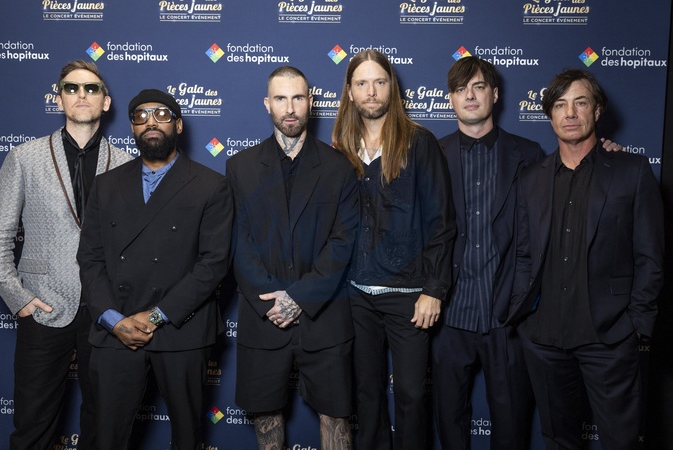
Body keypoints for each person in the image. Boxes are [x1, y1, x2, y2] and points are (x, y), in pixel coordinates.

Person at [507, 68, 664, 449]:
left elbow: (650, 256)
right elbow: (524, 253)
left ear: (597, 110)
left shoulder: (631, 171)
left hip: (609, 338)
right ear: (550, 115)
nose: (570, 113)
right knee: (559, 440)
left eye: (580, 103)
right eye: (560, 105)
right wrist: (524, 318)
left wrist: (636, 325)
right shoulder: (531, 178)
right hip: (543, 339)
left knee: (621, 441)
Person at [76, 88, 232, 450]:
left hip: (182, 329)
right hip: (117, 327)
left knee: (187, 437)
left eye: (161, 115)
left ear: (178, 125)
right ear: (132, 128)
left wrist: (157, 315)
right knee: (106, 436)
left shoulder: (211, 185)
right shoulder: (106, 184)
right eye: (141, 116)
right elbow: (90, 258)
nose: (151, 122)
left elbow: (213, 264)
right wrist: (113, 320)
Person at [0, 60, 133, 449]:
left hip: (105, 312)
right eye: (71, 88)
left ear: (106, 101)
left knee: (103, 425)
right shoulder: (24, 157)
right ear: (59, 99)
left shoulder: (126, 164)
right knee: (33, 425)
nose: (81, 95)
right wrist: (19, 298)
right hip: (43, 306)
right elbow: (0, 234)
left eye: (91, 88)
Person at [226, 66, 359, 449]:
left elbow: (343, 242)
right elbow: (237, 242)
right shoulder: (240, 167)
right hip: (263, 314)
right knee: (266, 416)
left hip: (325, 316)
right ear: (267, 104)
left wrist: (299, 297)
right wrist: (273, 301)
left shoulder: (339, 167)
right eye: (281, 98)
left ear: (310, 102)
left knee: (336, 416)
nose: (289, 108)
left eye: (298, 98)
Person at [332, 49, 456, 450]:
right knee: (366, 395)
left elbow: (442, 222)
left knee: (411, 395)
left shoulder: (419, 142)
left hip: (409, 295)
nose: (371, 91)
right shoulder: (340, 147)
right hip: (355, 294)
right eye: (362, 83)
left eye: (379, 82)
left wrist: (434, 289)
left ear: (392, 87)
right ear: (350, 91)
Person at [432, 56, 542, 449]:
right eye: (461, 89)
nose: (470, 96)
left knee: (512, 426)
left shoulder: (529, 154)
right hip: (449, 315)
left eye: (478, 87)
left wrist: (607, 153)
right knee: (449, 424)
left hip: (507, 316)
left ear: (494, 95)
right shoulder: (432, 154)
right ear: (450, 99)